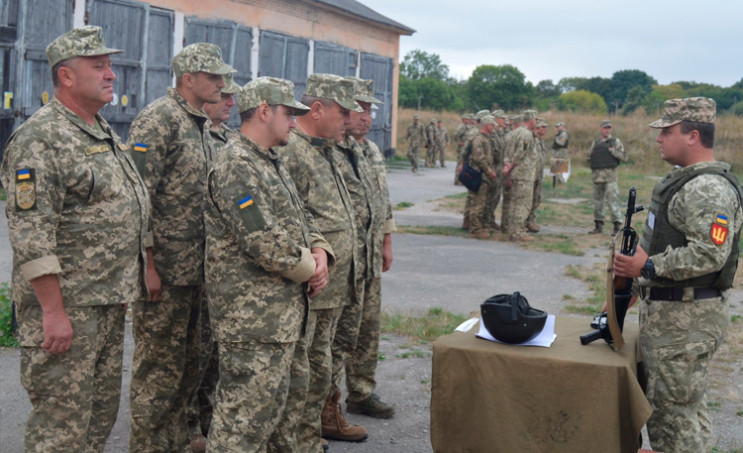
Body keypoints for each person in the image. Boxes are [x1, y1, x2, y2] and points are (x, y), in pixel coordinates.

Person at [1, 26, 149, 451]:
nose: (112, 75)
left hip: (103, 305)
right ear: (66, 76)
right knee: (60, 429)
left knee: (98, 420)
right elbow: (32, 234)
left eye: (110, 66)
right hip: (67, 310)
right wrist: (53, 313)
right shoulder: (41, 138)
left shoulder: (99, 130)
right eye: (99, 66)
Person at [204, 76, 334, 452]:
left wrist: (320, 248)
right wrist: (312, 269)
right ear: (263, 111)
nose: (294, 122)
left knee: (281, 420)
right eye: (288, 114)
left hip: (283, 319)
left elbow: (301, 216)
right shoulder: (236, 163)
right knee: (242, 426)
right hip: (253, 323)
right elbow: (263, 241)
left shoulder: (269, 160)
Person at [613, 97, 743, 453]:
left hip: (686, 324)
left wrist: (648, 267)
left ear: (692, 136)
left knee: (672, 423)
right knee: (685, 412)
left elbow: (709, 254)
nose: (658, 139)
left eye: (666, 131)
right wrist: (641, 279)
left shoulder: (708, 188)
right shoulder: (685, 182)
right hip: (677, 320)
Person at [127, 42, 235, 452]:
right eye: (213, 77)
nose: (222, 85)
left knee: (189, 372)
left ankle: (172, 443)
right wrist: (147, 264)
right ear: (188, 79)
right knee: (158, 375)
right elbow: (138, 199)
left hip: (198, 274)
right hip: (167, 275)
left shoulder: (201, 125)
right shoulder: (159, 120)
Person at [276, 73, 364, 452]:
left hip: (334, 284)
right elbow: (287, 219)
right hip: (311, 286)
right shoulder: (293, 151)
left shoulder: (324, 149)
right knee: (304, 371)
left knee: (321, 367)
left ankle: (309, 435)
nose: (350, 120)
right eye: (344, 112)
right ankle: (295, 440)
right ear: (317, 109)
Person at [326, 77, 396, 441]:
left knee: (367, 329)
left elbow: (382, 202)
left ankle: (362, 391)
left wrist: (386, 241)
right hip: (343, 262)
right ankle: (328, 402)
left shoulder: (369, 151)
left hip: (369, 256)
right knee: (338, 335)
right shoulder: (333, 151)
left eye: (370, 109)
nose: (367, 116)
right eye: (360, 108)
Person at [186, 73, 241, 451]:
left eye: (232, 95)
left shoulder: (230, 141)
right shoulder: (184, 131)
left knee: (212, 351)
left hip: (216, 265)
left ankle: (207, 421)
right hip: (184, 262)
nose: (228, 100)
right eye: (222, 93)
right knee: (189, 352)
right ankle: (189, 426)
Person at [503, 110, 539, 242]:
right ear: (532, 120)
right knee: (523, 204)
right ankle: (518, 233)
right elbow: (520, 153)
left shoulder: (515, 132)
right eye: (536, 119)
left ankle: (513, 230)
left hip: (516, 174)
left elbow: (507, 151)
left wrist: (507, 165)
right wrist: (511, 165)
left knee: (514, 203)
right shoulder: (526, 134)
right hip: (524, 174)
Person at [587, 120, 627, 235]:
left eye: (609, 128)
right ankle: (598, 225)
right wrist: (590, 155)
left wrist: (612, 151)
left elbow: (624, 157)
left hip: (610, 177)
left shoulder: (615, 142)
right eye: (605, 128)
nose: (607, 130)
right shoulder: (595, 143)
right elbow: (589, 158)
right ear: (600, 129)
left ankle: (617, 226)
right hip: (597, 177)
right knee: (598, 202)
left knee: (612, 201)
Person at [463, 115, 498, 239]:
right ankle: (475, 229)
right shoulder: (478, 138)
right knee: (478, 203)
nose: (494, 127)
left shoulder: (485, 138)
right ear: (487, 125)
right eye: (492, 124)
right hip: (479, 175)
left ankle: (480, 226)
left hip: (485, 175)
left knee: (483, 202)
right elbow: (479, 158)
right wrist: (489, 171)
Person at [525, 118, 548, 233]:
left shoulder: (540, 141)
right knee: (528, 200)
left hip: (538, 175)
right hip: (531, 175)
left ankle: (530, 221)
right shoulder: (532, 140)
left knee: (536, 199)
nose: (545, 129)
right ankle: (525, 222)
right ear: (538, 128)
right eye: (543, 127)